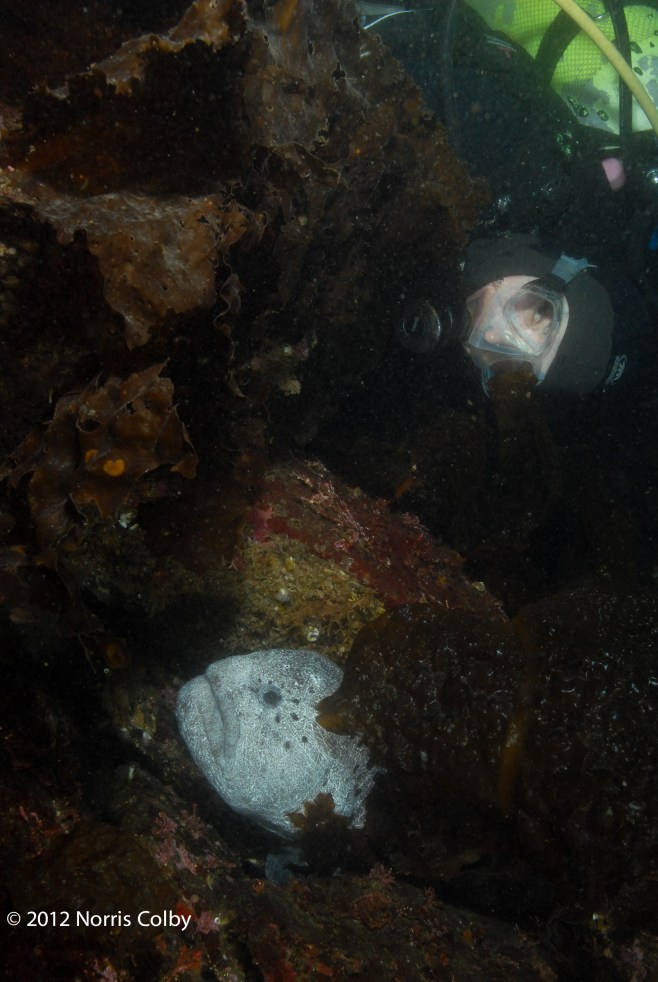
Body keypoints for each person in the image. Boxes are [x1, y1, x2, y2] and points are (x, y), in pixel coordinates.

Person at [359, 0, 658, 396]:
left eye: (510, 366)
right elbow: (357, 58)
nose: (493, 333)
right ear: (563, 268)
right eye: (538, 312)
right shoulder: (509, 155)